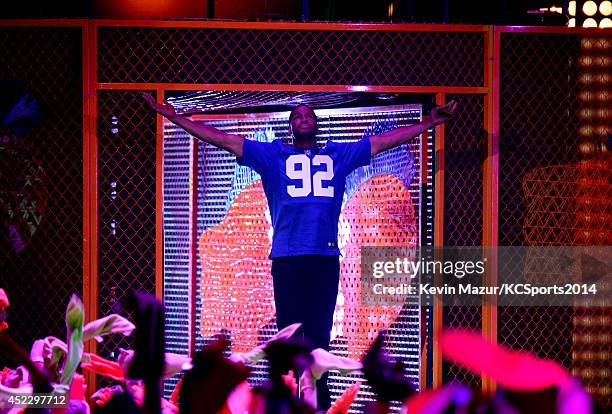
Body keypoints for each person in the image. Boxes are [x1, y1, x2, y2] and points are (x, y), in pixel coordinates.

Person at [143, 93, 457, 410]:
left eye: (309, 114)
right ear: (290, 126)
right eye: (297, 115)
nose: (304, 117)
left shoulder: (337, 155)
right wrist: (173, 117)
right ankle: (285, 403)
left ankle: (320, 405)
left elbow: (381, 142)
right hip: (287, 261)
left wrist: (430, 122)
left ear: (316, 125)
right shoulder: (272, 156)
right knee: (288, 341)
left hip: (324, 260)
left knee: (319, 343)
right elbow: (224, 140)